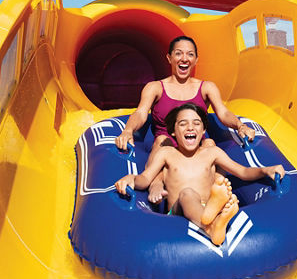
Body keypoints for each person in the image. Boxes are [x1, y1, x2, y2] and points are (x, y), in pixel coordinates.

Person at [115, 104, 285, 247]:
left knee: (224, 193)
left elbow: (243, 172)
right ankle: (211, 227)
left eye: (196, 123)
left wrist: (265, 170)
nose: (190, 127)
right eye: (182, 124)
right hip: (177, 213)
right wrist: (132, 178)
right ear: (172, 131)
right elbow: (145, 179)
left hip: (207, 208)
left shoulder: (212, 153)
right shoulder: (166, 153)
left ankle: (215, 213)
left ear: (203, 130)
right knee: (187, 194)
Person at [114, 34, 257, 201]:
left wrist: (240, 126)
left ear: (196, 60)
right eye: (178, 53)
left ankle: (218, 186)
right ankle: (156, 184)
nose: (185, 59)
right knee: (161, 140)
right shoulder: (155, 88)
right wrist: (128, 130)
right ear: (169, 58)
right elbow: (140, 113)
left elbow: (223, 113)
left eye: (190, 54)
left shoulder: (206, 87)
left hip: (195, 143)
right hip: (166, 143)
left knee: (210, 143)